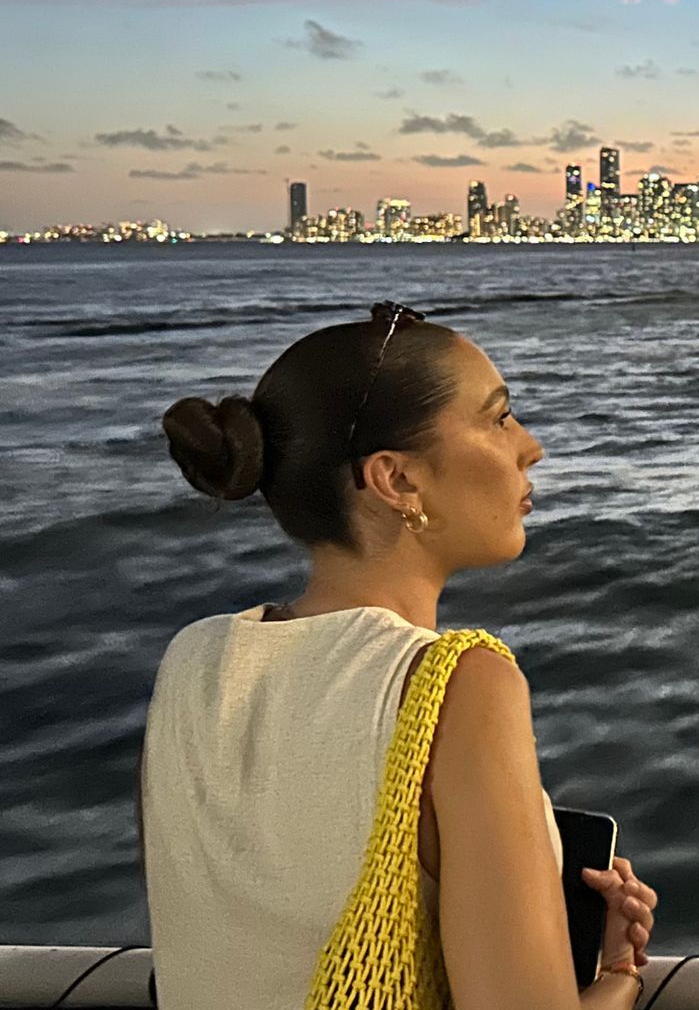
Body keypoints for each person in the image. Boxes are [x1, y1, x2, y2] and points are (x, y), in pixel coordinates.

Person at [141, 302, 657, 1009]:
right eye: (499, 418)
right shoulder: (457, 683)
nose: (529, 446)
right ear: (397, 480)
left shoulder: (191, 662)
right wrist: (620, 976)